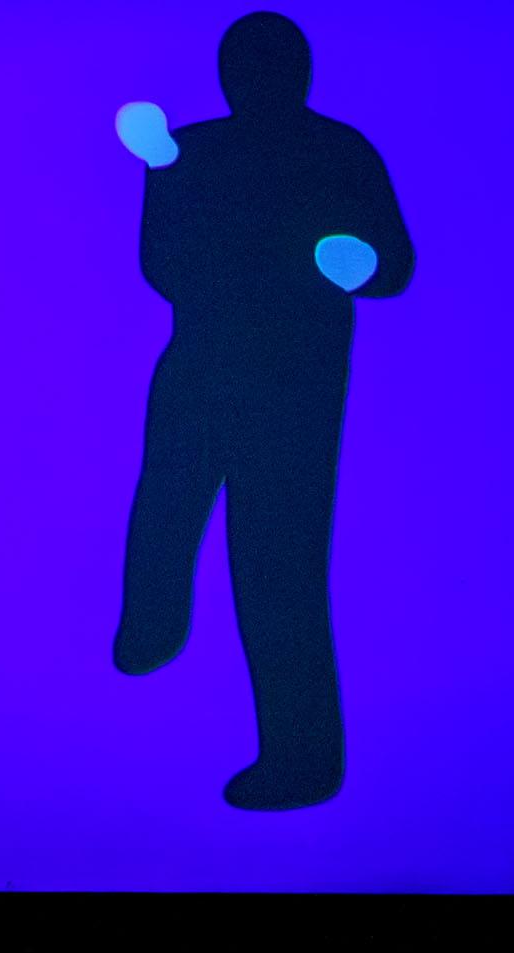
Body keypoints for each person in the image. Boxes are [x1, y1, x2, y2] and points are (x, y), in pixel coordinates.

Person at [114, 11, 412, 810]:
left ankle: (300, 756)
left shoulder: (324, 150)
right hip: (233, 367)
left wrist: (358, 263)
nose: (256, 83)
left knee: (273, 560)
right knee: (174, 509)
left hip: (283, 382)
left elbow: (394, 266)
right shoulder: (208, 150)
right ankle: (152, 629)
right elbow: (161, 261)